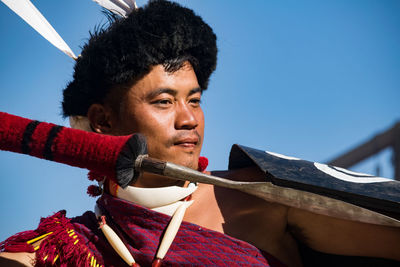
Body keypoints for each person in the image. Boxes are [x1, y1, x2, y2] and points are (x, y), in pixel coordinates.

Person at [0, 1, 399, 266]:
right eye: (163, 101)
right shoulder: (66, 248)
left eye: (194, 100)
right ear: (102, 121)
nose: (189, 119)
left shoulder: (263, 197)